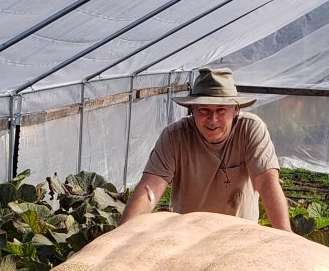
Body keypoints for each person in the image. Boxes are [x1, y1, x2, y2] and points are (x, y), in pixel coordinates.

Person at [120, 68, 292, 231]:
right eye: (204, 110)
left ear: (236, 110)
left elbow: (266, 181)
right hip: (189, 234)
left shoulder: (250, 129)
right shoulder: (175, 135)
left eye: (220, 110)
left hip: (240, 233)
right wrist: (122, 235)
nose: (213, 119)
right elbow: (151, 187)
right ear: (192, 110)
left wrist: (285, 234)